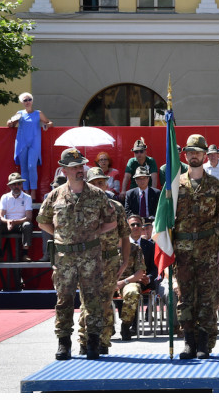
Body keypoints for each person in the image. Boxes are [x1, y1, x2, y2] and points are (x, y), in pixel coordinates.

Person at [37, 148, 117, 361]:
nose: (79, 170)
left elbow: (112, 220)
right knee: (64, 300)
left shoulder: (97, 194)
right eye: (74, 167)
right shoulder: (55, 195)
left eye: (81, 166)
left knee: (93, 300)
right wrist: (60, 235)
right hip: (64, 258)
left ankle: (92, 342)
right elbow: (42, 220)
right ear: (64, 170)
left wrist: (96, 232)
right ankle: (64, 343)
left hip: (90, 255)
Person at [173, 134, 219, 360]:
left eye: (198, 151)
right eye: (190, 152)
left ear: (205, 155)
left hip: (208, 248)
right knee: (185, 296)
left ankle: (204, 343)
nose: (194, 155)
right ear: (185, 155)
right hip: (183, 250)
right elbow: (167, 219)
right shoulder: (176, 184)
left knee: (207, 296)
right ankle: (188, 341)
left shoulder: (215, 185)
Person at [77, 167, 130, 354]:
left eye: (102, 182)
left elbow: (125, 236)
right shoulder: (81, 208)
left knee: (106, 302)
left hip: (109, 261)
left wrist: (124, 262)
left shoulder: (116, 207)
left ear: (106, 184)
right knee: (87, 303)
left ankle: (103, 341)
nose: (99, 186)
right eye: (95, 182)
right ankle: (85, 340)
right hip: (87, 261)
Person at [7, 92, 53, 201]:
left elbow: (49, 122)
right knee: (24, 168)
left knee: (32, 166)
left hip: (34, 142)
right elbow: (10, 124)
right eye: (25, 100)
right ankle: (26, 192)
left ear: (32, 101)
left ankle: (33, 191)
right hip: (22, 142)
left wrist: (47, 125)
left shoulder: (38, 113)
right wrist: (12, 120)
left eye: (29, 99)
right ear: (22, 102)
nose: (27, 102)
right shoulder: (20, 113)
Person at [0, 173, 33, 262]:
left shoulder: (27, 197)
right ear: (10, 186)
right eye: (14, 184)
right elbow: (0, 216)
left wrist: (14, 222)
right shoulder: (5, 197)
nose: (16, 186)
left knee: (28, 225)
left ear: (21, 185)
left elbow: (28, 217)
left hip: (21, 223)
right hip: (7, 223)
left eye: (18, 184)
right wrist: (8, 221)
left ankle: (25, 254)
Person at [115, 240, 147, 341]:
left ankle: (126, 325)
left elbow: (140, 273)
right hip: (107, 282)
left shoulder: (134, 248)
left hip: (127, 281)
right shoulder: (103, 247)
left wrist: (123, 282)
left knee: (132, 292)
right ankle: (106, 327)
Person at [40, 175, 66, 262]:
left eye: (57, 187)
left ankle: (64, 255)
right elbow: (45, 213)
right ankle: (47, 254)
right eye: (54, 187)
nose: (54, 189)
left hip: (65, 223)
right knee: (44, 227)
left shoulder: (69, 195)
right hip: (52, 221)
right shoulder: (48, 196)